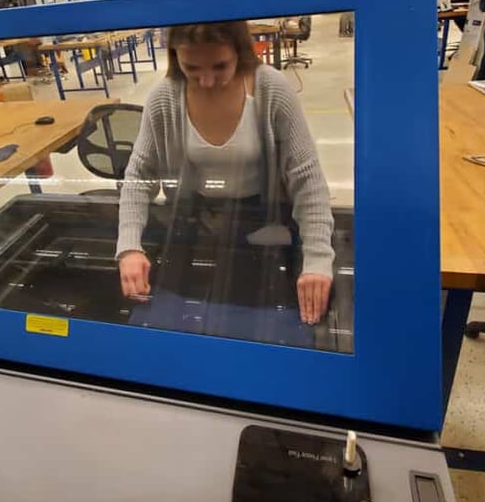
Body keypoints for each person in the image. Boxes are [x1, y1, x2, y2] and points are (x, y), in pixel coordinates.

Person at [116, 21, 335, 325]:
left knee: (259, 323)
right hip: (195, 222)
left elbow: (307, 181)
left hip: (264, 222)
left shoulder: (271, 89)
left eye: (220, 66)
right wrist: (129, 248)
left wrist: (317, 261)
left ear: (241, 52)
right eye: (192, 68)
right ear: (174, 55)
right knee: (163, 322)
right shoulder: (164, 98)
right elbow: (140, 177)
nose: (206, 81)